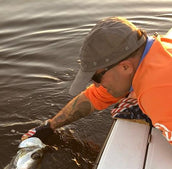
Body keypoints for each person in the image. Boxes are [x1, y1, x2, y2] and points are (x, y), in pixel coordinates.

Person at [22, 17, 172, 144]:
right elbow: (94, 97)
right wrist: (49, 126)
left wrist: (151, 107)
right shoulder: (156, 51)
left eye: (96, 77)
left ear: (125, 67)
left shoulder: (157, 92)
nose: (96, 84)